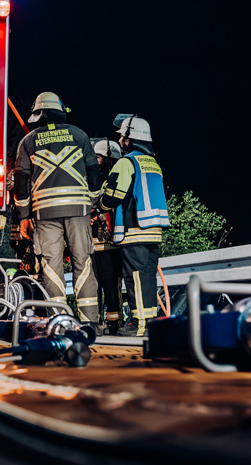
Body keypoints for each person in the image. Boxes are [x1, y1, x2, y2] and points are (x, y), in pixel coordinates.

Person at [13, 92, 100, 324]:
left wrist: (23, 217)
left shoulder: (28, 141)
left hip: (45, 213)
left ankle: (59, 320)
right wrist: (90, 205)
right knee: (83, 262)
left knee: (51, 266)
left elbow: (21, 182)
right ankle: (89, 321)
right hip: (78, 211)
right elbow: (94, 174)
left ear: (37, 114)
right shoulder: (80, 135)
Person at [98, 116, 169, 337]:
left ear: (130, 138)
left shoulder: (126, 162)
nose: (120, 140)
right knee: (147, 277)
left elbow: (114, 195)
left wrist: (100, 204)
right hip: (153, 231)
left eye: (122, 136)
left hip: (134, 231)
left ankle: (139, 324)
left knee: (135, 277)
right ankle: (149, 322)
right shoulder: (153, 164)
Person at [90, 138, 124, 335]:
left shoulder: (115, 179)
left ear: (110, 158)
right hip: (91, 244)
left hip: (110, 245)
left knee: (111, 287)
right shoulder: (91, 179)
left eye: (99, 157)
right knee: (92, 287)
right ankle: (93, 322)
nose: (96, 161)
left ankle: (114, 323)